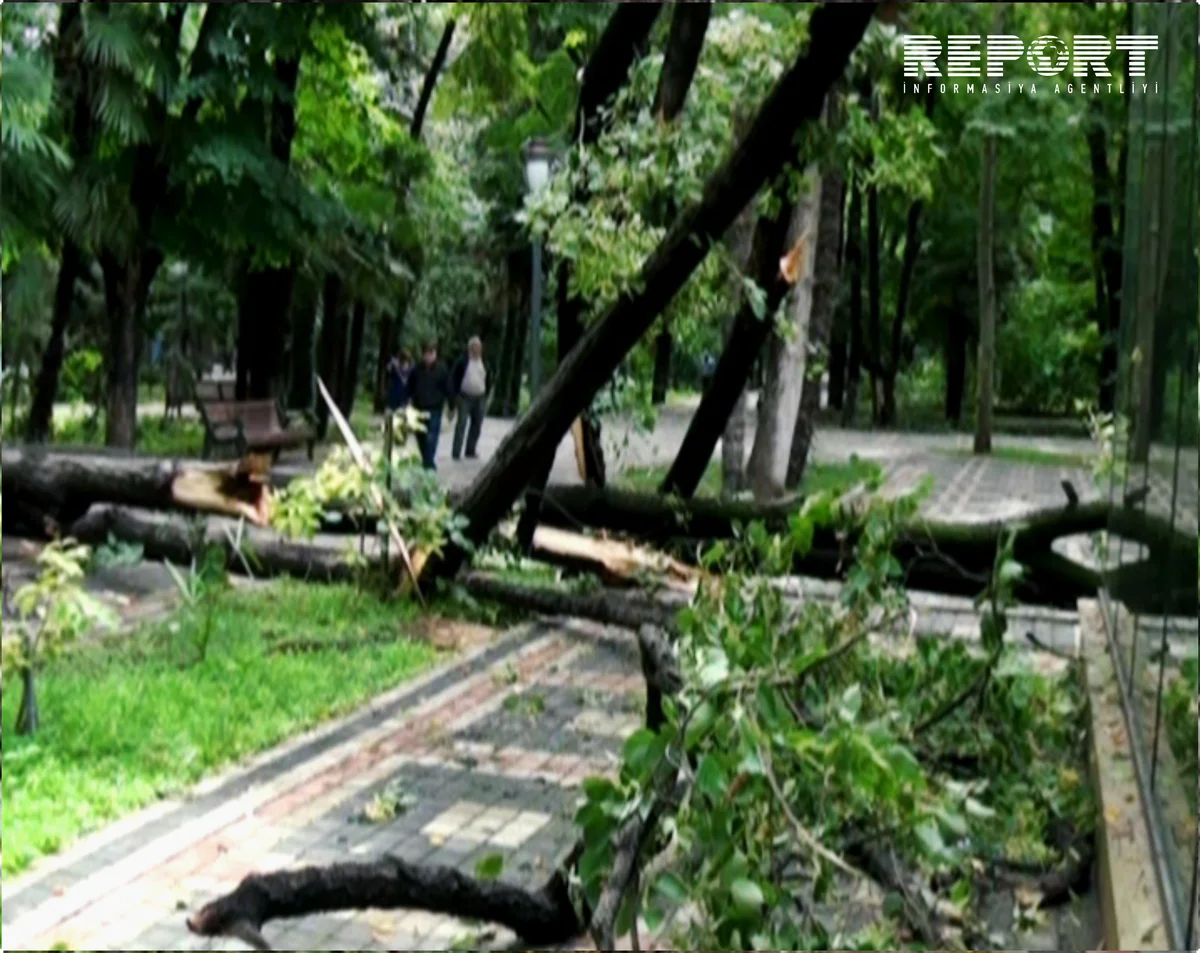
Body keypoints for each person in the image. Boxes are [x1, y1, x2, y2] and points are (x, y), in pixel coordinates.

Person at [407, 341, 452, 470]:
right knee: (420, 436)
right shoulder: (416, 370)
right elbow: (409, 387)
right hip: (419, 408)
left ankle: (428, 463)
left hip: (435, 408)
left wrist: (451, 405)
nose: (428, 357)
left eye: (431, 354)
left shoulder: (441, 370)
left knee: (431, 437)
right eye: (426, 354)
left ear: (435, 355)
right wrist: (407, 402)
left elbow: (447, 388)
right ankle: (426, 460)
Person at [450, 337, 488, 460]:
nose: (478, 350)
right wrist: (454, 397)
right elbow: (454, 378)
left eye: (479, 347)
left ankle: (470, 450)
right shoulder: (462, 361)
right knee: (461, 424)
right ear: (470, 348)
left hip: (480, 397)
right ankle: (456, 451)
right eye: (475, 347)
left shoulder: (484, 361)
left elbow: (488, 376)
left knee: (477, 424)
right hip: (464, 397)